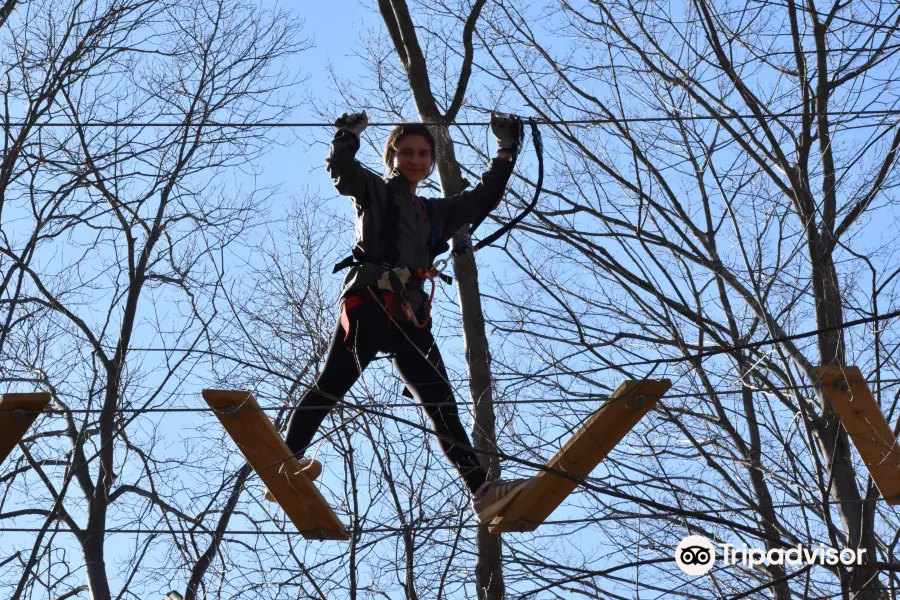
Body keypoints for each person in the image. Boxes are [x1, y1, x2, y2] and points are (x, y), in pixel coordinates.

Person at [282, 110, 529, 524]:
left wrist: (504, 152)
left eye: (423, 154)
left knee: (441, 403)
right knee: (333, 383)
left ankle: (481, 490)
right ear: (393, 156)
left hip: (411, 316)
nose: (415, 160)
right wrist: (346, 136)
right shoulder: (375, 192)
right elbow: (343, 172)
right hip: (372, 303)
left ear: (431, 162)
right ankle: (286, 461)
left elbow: (481, 198)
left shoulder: (434, 213)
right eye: (407, 152)